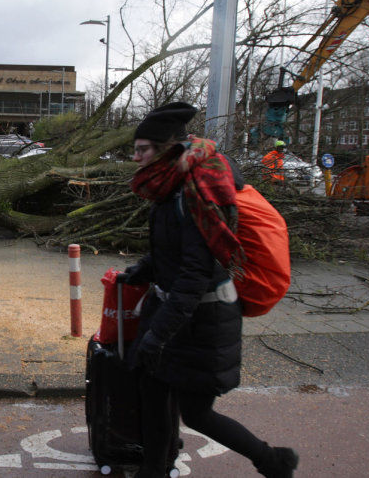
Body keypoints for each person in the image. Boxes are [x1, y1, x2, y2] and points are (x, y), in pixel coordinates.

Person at [118, 102, 298, 478]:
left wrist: (157, 336)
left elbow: (195, 274)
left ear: (169, 148)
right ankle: (155, 468)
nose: (135, 157)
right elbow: (170, 246)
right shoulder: (168, 184)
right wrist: (144, 269)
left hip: (203, 319)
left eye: (143, 149)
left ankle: (273, 461)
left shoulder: (198, 192)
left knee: (197, 413)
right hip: (174, 310)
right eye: (134, 149)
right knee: (152, 396)